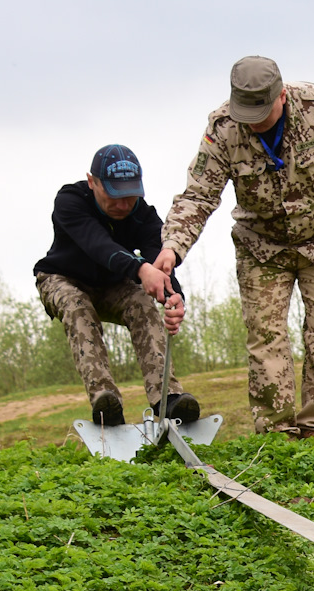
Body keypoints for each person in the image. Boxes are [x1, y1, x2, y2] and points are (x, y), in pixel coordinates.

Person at [156, 56, 314, 439]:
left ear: (281, 95)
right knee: (266, 341)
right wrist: (172, 247)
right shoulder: (223, 128)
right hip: (261, 248)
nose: (253, 120)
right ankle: (277, 440)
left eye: (260, 111)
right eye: (245, 111)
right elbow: (198, 196)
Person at [32, 144, 196, 428]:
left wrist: (173, 297)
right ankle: (105, 400)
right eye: (114, 196)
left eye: (130, 197)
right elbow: (98, 245)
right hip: (61, 278)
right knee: (77, 306)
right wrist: (140, 268)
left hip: (111, 286)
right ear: (92, 182)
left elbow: (158, 259)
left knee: (143, 304)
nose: (122, 206)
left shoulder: (143, 215)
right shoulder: (70, 201)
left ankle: (167, 399)